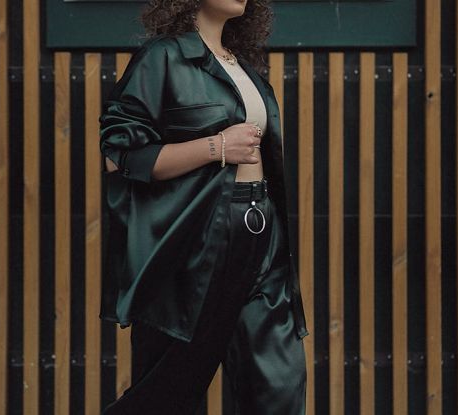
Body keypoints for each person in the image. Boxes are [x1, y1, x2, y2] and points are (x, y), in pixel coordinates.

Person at [99, 0, 308, 413]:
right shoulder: (163, 57)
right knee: (169, 391)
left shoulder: (240, 65)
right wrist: (217, 146)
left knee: (278, 384)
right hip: (200, 239)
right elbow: (119, 155)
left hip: (263, 233)